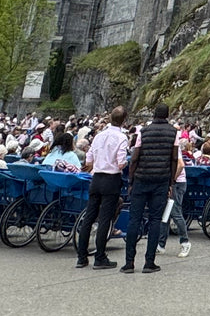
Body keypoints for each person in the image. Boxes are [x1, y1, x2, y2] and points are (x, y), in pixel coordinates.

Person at [124, 104, 179, 273]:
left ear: (154, 114)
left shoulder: (143, 132)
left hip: (142, 177)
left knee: (135, 219)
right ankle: (149, 262)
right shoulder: (173, 133)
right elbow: (174, 158)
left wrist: (131, 180)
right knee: (156, 220)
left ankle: (129, 262)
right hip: (161, 180)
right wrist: (170, 182)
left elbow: (134, 158)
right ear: (167, 115)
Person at [76, 107, 129, 270]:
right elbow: (121, 162)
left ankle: (82, 256)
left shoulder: (99, 136)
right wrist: (124, 163)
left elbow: (89, 159)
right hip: (111, 178)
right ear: (124, 121)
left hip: (96, 177)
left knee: (89, 216)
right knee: (105, 218)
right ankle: (99, 256)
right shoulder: (121, 137)